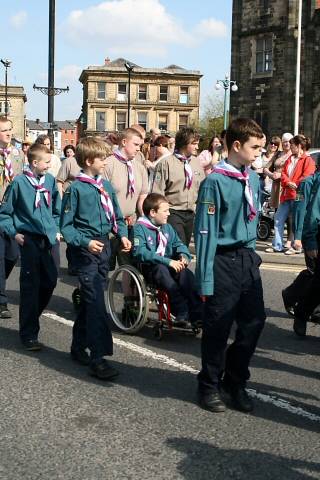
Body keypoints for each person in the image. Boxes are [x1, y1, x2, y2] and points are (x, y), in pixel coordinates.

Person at [194, 118, 266, 414]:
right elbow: (205, 233)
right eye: (255, 148)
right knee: (218, 327)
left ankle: (235, 381)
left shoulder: (252, 178)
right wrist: (205, 279)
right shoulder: (215, 181)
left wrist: (252, 255)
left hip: (247, 259)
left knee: (254, 323)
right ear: (236, 146)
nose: (260, 153)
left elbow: (252, 217)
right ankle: (209, 385)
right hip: (223, 259)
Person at [60, 137, 131, 379]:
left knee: (91, 303)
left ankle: (78, 346)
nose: (106, 162)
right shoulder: (76, 189)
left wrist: (122, 235)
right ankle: (98, 359)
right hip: (86, 251)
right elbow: (67, 228)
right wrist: (85, 242)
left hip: (105, 249)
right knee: (96, 304)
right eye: (102, 159)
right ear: (89, 161)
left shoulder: (106, 186)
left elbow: (117, 216)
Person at [0, 143, 61, 350]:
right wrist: (14, 233)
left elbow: (56, 208)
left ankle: (30, 316)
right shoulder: (18, 183)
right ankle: (29, 334)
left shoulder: (50, 181)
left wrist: (56, 228)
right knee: (30, 286)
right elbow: (5, 214)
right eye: (46, 162)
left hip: (49, 239)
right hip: (29, 239)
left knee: (51, 281)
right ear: (35, 163)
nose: (49, 165)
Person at [132, 193, 203, 327]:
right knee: (161, 270)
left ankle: (198, 312)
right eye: (165, 211)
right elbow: (140, 252)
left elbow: (178, 244)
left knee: (185, 274)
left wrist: (184, 255)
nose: (169, 214)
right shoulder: (140, 228)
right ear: (153, 212)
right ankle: (181, 310)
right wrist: (167, 261)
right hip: (150, 268)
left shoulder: (167, 228)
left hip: (168, 264)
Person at [151, 127, 205, 247]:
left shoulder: (196, 163)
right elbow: (157, 191)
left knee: (184, 246)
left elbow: (202, 187)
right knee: (178, 246)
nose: (197, 147)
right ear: (184, 144)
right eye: (194, 144)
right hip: (173, 212)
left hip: (191, 213)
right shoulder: (166, 163)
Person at [103, 128, 148, 268]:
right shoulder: (107, 164)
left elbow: (142, 198)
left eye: (140, 145)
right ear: (123, 142)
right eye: (135, 144)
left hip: (131, 224)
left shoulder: (140, 168)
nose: (138, 149)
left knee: (129, 266)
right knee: (103, 267)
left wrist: (145, 220)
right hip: (110, 225)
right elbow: (101, 197)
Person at [266, 134, 315, 254]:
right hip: (287, 194)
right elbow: (283, 174)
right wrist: (288, 182)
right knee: (278, 218)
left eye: (292, 144)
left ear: (298, 146)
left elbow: (307, 177)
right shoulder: (289, 159)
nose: (290, 147)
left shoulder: (308, 160)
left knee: (297, 220)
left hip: (299, 195)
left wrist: (295, 183)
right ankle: (277, 245)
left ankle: (296, 245)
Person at [0, 116, 25, 318]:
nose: (8, 133)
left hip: (11, 211)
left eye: (9, 129)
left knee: (12, 254)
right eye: (3, 130)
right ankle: (1, 302)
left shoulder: (17, 154)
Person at [292, 175, 320, 336]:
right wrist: (306, 239)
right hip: (316, 233)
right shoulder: (309, 182)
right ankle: (302, 313)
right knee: (317, 283)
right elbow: (308, 211)